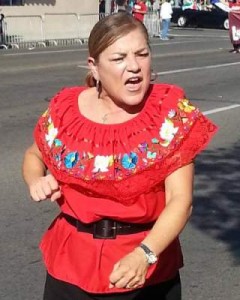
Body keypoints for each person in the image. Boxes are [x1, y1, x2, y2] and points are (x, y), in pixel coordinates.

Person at [22, 12, 218, 300]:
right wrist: (35, 180)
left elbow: (181, 201)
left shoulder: (169, 114)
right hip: (69, 265)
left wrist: (146, 254)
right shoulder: (65, 108)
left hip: (142, 271)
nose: (134, 67)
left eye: (142, 54)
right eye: (119, 58)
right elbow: (33, 154)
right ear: (95, 67)